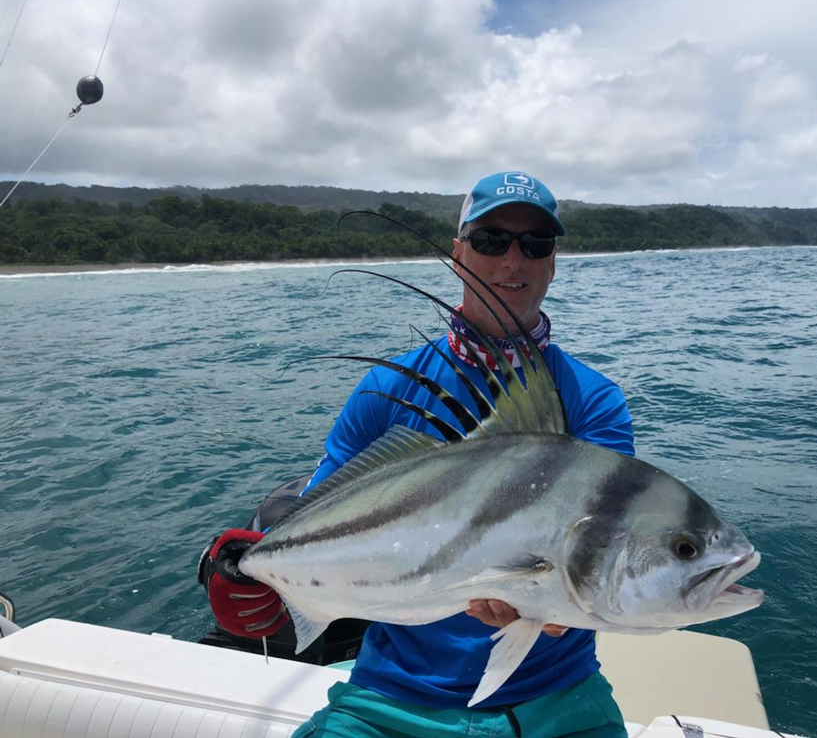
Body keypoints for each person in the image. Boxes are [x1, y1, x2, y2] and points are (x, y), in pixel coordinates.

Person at [204, 171, 635, 737]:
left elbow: (599, 546)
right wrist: (244, 568)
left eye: (535, 244)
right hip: (391, 697)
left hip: (554, 697)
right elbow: (321, 521)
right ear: (459, 255)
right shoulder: (386, 388)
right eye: (490, 241)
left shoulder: (593, 400)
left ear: (552, 262)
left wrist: (552, 605)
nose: (514, 259)